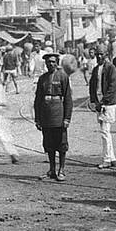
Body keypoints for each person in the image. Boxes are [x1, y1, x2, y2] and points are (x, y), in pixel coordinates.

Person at [33, 51, 73, 180]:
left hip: (58, 114)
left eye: (53, 62)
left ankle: (61, 170)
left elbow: (68, 99)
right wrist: (38, 119)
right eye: (48, 62)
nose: (50, 64)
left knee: (61, 144)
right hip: (46, 115)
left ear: (57, 63)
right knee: (49, 144)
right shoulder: (42, 78)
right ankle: (52, 170)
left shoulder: (63, 77)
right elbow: (38, 99)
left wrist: (67, 118)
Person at [88, 45, 116, 169]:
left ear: (106, 55)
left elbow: (113, 88)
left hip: (107, 103)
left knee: (105, 131)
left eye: (101, 54)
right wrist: (93, 101)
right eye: (97, 54)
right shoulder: (96, 69)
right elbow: (92, 85)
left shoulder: (111, 68)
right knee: (105, 131)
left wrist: (102, 102)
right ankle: (111, 158)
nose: (99, 56)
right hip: (99, 103)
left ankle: (107, 159)